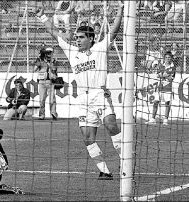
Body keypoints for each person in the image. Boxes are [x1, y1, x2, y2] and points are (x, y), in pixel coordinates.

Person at [36, 2, 124, 179]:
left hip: (99, 94)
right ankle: (104, 170)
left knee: (111, 125)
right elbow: (54, 33)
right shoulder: (72, 51)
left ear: (90, 39)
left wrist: (121, 10)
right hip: (83, 100)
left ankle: (126, 162)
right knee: (87, 137)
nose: (77, 40)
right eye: (76, 37)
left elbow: (113, 31)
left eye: (81, 37)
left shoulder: (99, 48)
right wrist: (42, 16)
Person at [146, 51, 176, 126]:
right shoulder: (161, 65)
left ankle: (166, 119)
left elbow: (170, 78)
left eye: (169, 57)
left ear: (171, 58)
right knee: (156, 102)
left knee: (167, 103)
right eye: (166, 57)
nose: (167, 59)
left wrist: (163, 75)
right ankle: (153, 118)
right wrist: (164, 75)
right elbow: (158, 75)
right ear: (164, 58)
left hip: (168, 87)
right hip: (160, 87)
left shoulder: (173, 67)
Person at [34, 46, 58, 120]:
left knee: (52, 99)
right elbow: (35, 69)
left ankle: (53, 113)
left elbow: (54, 70)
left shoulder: (54, 61)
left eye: (50, 52)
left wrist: (49, 63)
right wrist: (39, 61)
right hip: (41, 81)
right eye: (47, 53)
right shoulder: (40, 60)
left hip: (50, 81)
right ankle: (41, 115)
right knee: (41, 99)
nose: (49, 54)